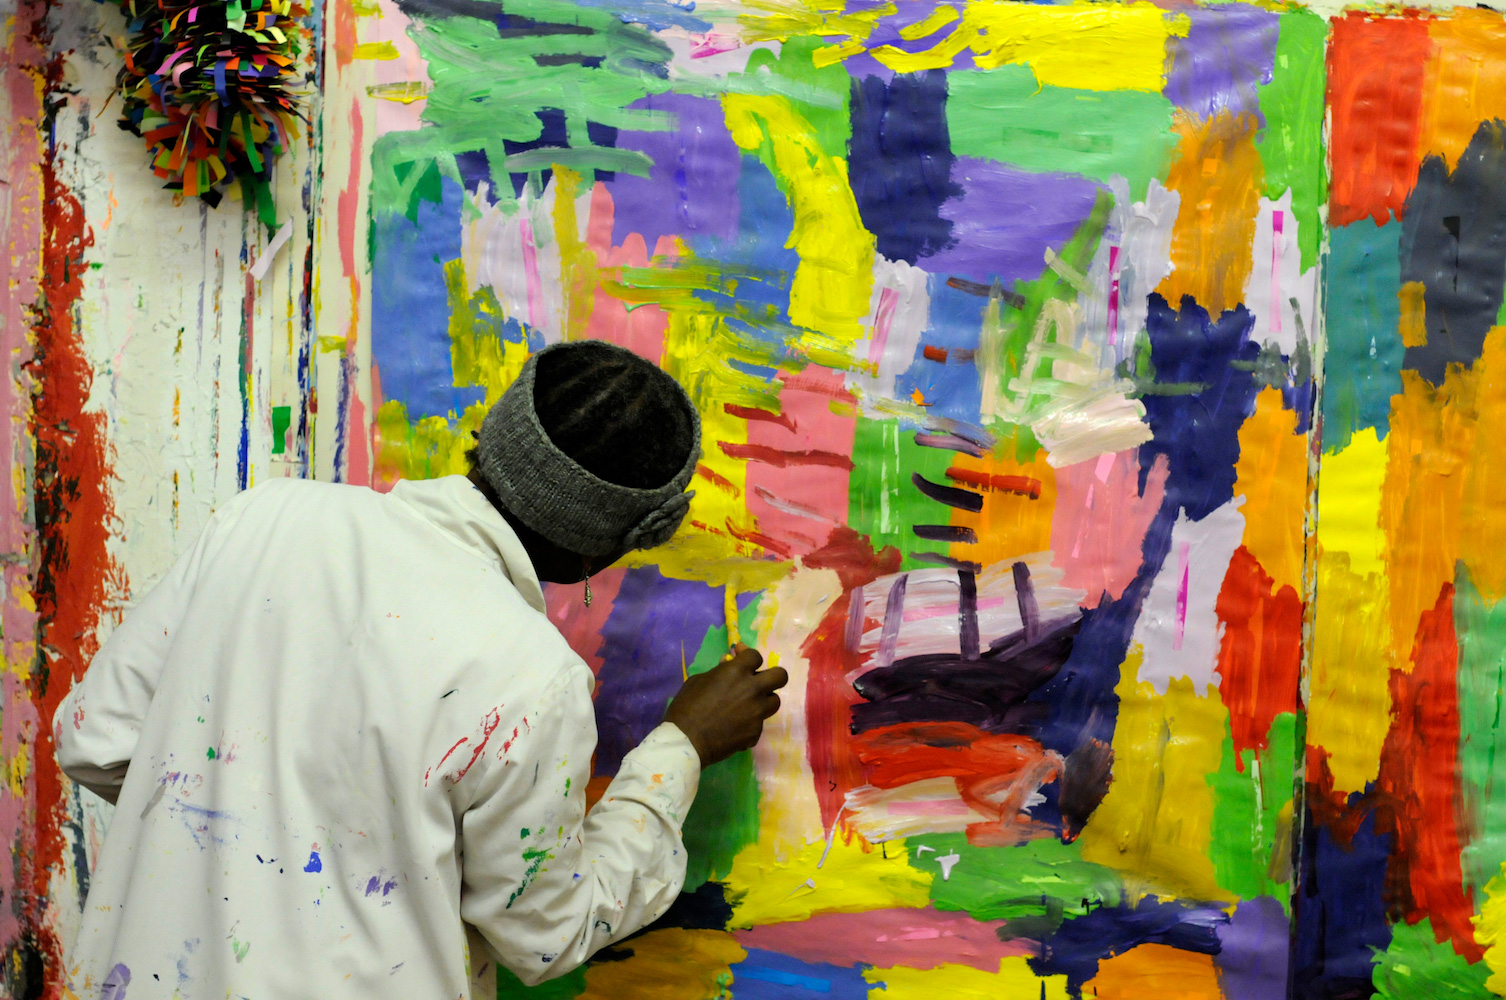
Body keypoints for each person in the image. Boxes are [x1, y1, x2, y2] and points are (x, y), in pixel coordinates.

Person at [55, 340, 788, 999]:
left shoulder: (264, 518)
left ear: (491, 440)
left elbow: (95, 739)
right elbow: (545, 934)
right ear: (617, 541)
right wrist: (679, 751)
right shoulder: (533, 678)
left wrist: (254, 835)